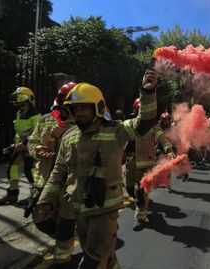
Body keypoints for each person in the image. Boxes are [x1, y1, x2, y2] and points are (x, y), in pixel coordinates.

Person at [37, 67, 158, 268]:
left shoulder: (116, 131)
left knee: (94, 259)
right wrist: (45, 199)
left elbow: (143, 123)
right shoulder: (69, 136)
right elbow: (58, 171)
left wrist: (147, 91)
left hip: (104, 210)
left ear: (98, 107)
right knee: (102, 256)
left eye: (85, 107)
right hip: (74, 206)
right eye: (76, 109)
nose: (80, 113)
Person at [26, 82, 77, 266]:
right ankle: (65, 238)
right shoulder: (46, 119)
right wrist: (38, 149)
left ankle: (64, 254)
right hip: (45, 178)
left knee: (65, 219)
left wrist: (62, 136)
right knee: (40, 218)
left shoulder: (82, 122)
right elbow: (32, 141)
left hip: (69, 181)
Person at [124, 105, 173, 231]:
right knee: (130, 190)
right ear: (135, 111)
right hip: (130, 163)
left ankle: (140, 217)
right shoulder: (128, 124)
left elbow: (162, 138)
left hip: (145, 164)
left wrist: (168, 149)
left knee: (140, 191)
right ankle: (144, 203)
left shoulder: (153, 128)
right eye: (140, 110)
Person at [0, 87, 41, 205]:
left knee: (30, 171)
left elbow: (37, 132)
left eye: (22, 100)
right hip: (20, 147)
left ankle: (35, 196)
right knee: (12, 168)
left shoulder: (35, 114)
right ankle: (12, 195)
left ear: (29, 99)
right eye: (17, 100)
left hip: (31, 146)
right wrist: (13, 145)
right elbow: (19, 133)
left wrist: (24, 143)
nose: (19, 104)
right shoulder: (19, 114)